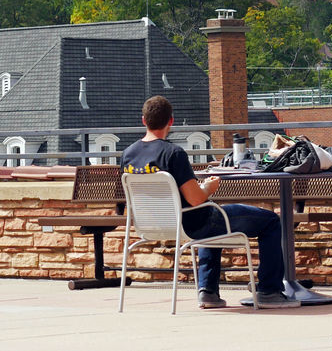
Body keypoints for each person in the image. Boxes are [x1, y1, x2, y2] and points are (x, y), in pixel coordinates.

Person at [120, 95, 299, 309]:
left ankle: (208, 292)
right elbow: (196, 199)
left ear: (143, 120)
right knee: (269, 220)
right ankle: (270, 291)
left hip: (151, 225)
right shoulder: (173, 153)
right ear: (171, 121)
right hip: (191, 224)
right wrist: (209, 187)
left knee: (210, 218)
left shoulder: (128, 154)